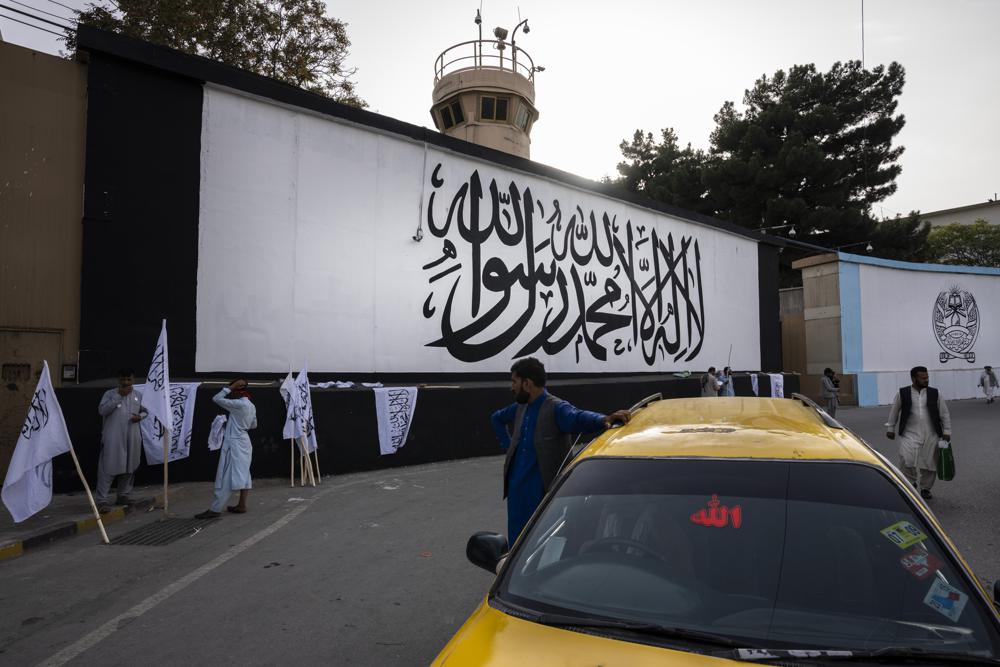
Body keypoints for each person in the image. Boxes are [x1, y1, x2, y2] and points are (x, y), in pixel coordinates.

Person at [491, 357, 631, 544]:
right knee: (517, 543)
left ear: (527, 383)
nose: (512, 387)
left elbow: (578, 417)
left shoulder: (555, 407)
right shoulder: (520, 408)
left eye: (514, 381)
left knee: (539, 542)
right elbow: (496, 418)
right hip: (516, 493)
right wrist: (509, 448)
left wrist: (604, 419)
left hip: (541, 494)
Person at [885, 366, 951, 500]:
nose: (926, 380)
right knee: (906, 459)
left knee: (929, 463)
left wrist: (947, 431)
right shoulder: (902, 393)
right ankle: (911, 483)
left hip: (931, 434)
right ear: (914, 378)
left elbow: (944, 413)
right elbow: (894, 411)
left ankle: (925, 488)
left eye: (927, 377)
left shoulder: (935, 393)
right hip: (909, 433)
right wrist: (890, 428)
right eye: (923, 378)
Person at [196, 379, 257, 518]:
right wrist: (237, 423)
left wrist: (229, 387)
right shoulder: (251, 405)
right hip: (245, 441)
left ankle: (215, 509)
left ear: (235, 391)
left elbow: (216, 398)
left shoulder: (238, 404)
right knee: (244, 473)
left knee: (228, 476)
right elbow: (253, 425)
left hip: (235, 443)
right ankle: (241, 505)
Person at [96, 369, 148, 513]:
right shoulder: (110, 394)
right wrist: (119, 396)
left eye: (128, 380)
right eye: (123, 380)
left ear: (133, 380)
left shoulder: (138, 395)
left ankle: (123, 495)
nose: (126, 382)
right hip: (114, 437)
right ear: (119, 380)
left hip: (132, 436)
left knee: (130, 465)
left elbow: (146, 411)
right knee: (108, 467)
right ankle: (102, 500)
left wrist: (141, 417)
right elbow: (102, 411)